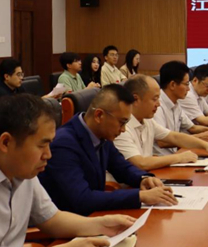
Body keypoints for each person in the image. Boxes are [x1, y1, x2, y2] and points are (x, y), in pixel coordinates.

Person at [0, 94, 137, 247]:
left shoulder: (25, 174)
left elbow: (52, 219)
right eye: (41, 145)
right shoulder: (26, 168)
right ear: (6, 143)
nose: (48, 154)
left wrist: (103, 224)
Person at [38, 84, 178, 216]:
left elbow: (122, 167)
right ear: (99, 115)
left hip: (94, 217)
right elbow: (82, 199)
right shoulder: (64, 144)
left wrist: (143, 179)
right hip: (71, 223)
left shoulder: (101, 134)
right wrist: (139, 196)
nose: (123, 130)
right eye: (121, 122)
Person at [114, 75, 208, 171]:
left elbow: (174, 137)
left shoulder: (147, 120)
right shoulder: (120, 128)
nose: (158, 104)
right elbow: (140, 163)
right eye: (154, 99)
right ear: (136, 99)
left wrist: (206, 146)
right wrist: (179, 157)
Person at [153, 61, 208, 156]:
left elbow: (192, 127)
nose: (188, 89)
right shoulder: (157, 106)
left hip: (176, 154)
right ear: (172, 85)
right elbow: (162, 142)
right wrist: (198, 137)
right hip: (162, 159)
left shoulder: (176, 103)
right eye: (186, 84)